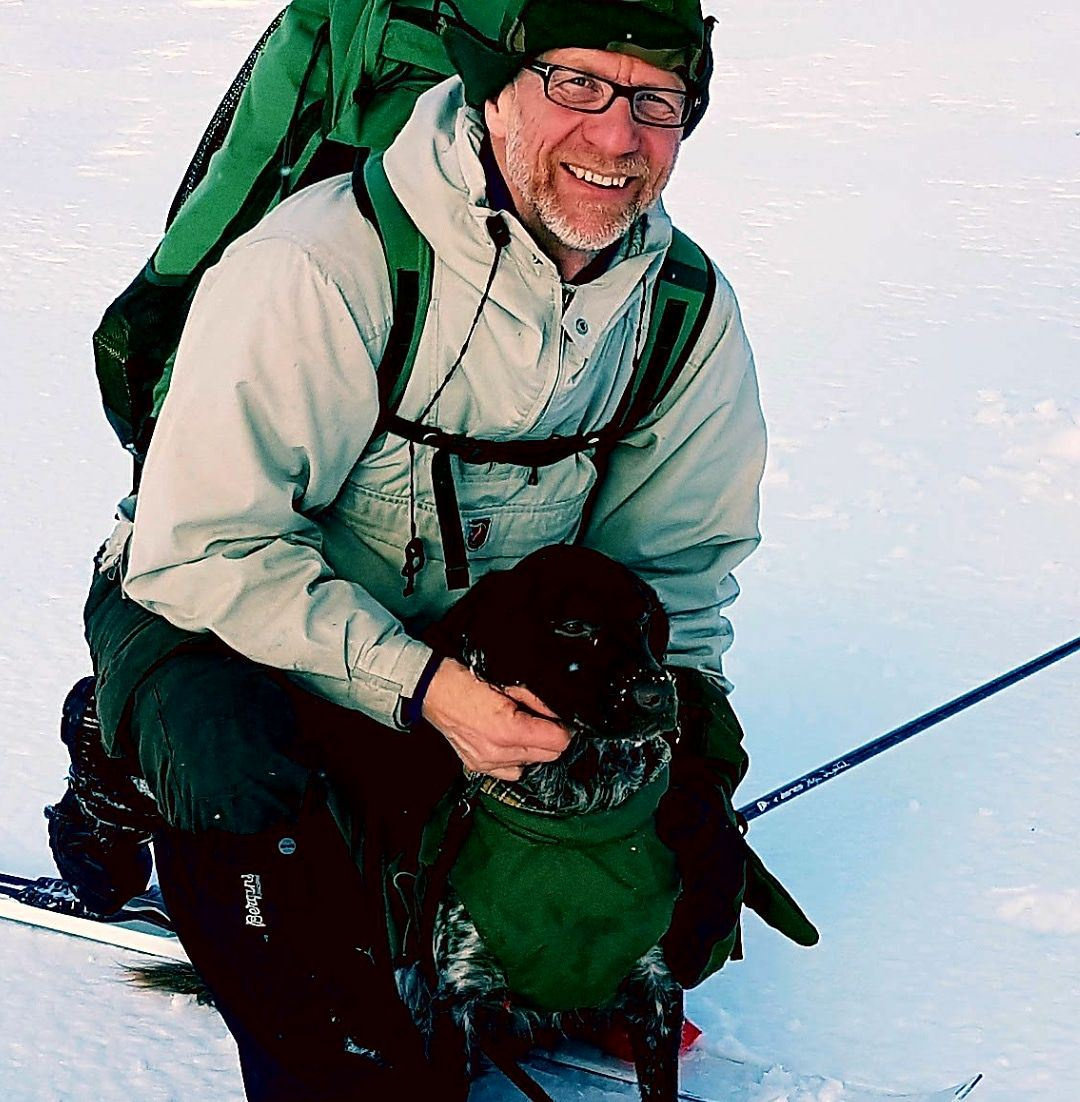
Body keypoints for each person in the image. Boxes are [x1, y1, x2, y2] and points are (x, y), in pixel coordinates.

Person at [49, 2, 816, 1098]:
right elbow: (201, 550)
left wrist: (682, 756)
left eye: (655, 101)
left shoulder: (682, 311)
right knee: (240, 768)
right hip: (217, 616)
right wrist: (423, 689)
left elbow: (672, 580)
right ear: (492, 86)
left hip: (458, 666)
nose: (616, 137)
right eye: (578, 85)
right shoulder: (324, 267)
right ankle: (127, 758)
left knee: (632, 876)